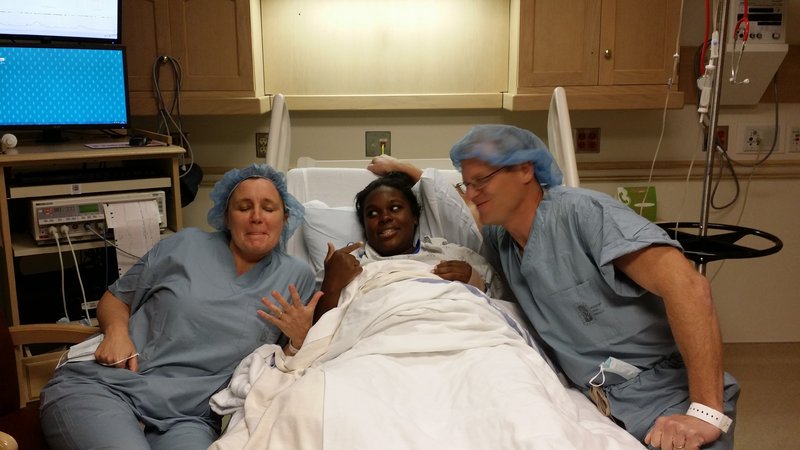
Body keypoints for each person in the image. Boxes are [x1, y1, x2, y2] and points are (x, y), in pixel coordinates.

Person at [446, 124, 740, 450]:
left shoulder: (584, 214)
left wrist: (704, 412)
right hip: (590, 402)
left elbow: (689, 287)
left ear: (525, 169)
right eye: (466, 184)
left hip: (664, 393)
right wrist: (475, 279)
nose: (472, 194)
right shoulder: (500, 239)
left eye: (482, 180)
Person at [39, 164, 322, 450]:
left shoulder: (296, 278)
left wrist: (299, 339)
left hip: (188, 417)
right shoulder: (184, 245)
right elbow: (117, 298)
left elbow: (282, 366)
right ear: (226, 216)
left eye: (269, 208)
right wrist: (116, 333)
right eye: (244, 207)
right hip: (109, 386)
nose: (257, 217)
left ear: (285, 217)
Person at [314, 166, 508, 322]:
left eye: (395, 208)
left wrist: (473, 280)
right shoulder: (345, 266)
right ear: (364, 226)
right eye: (372, 213)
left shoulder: (453, 254)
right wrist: (332, 285)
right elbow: (313, 331)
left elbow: (505, 304)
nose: (385, 218)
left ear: (415, 217)